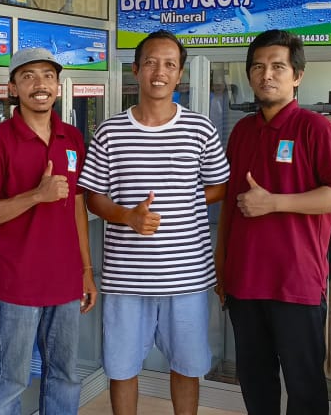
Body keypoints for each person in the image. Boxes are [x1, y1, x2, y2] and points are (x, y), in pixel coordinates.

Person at [78, 30, 229, 415]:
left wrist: (185, 200)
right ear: (135, 70)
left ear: (180, 75)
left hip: (187, 277)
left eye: (169, 65)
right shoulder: (110, 132)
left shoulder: (200, 129)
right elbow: (92, 196)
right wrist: (128, 216)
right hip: (126, 278)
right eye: (150, 63)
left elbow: (220, 184)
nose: (159, 72)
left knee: (187, 366)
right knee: (122, 368)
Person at [215, 29, 331, 415]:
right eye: (258, 67)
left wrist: (274, 203)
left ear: (297, 75)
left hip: (295, 285)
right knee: (256, 383)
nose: (267, 75)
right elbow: (230, 205)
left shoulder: (315, 129)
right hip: (245, 284)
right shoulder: (242, 131)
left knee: (304, 387)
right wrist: (222, 267)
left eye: (278, 66)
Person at [0, 47, 98, 415]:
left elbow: (76, 205)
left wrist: (86, 272)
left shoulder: (71, 138)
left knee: (65, 376)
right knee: (11, 382)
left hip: (64, 283)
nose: (40, 84)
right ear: (13, 87)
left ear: (58, 86)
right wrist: (37, 196)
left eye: (48, 76)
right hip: (16, 286)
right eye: (28, 77)